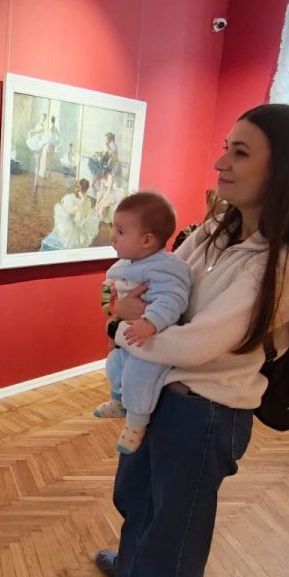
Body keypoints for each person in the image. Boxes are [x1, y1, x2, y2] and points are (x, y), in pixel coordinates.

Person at [93, 104, 289, 577]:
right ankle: (131, 569)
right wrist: (132, 311)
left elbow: (198, 341)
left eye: (241, 152)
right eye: (227, 145)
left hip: (204, 414)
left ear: (284, 169)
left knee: (173, 545)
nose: (221, 160)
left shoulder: (287, 260)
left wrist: (119, 327)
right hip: (159, 393)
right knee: (134, 497)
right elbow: (161, 293)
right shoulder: (214, 231)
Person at [92, 193, 192, 455]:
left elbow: (173, 300)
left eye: (121, 231)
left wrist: (150, 322)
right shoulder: (126, 264)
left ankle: (136, 423)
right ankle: (118, 401)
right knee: (114, 365)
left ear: (147, 240)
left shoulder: (164, 268)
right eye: (114, 228)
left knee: (138, 378)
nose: (113, 236)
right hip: (128, 337)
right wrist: (110, 306)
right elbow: (112, 287)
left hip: (151, 342)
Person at [39, 178, 101, 250]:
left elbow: (71, 212)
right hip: (82, 224)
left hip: (76, 227)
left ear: (78, 189)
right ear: (86, 189)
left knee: (64, 217)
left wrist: (65, 206)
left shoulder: (81, 203)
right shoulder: (88, 201)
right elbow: (84, 214)